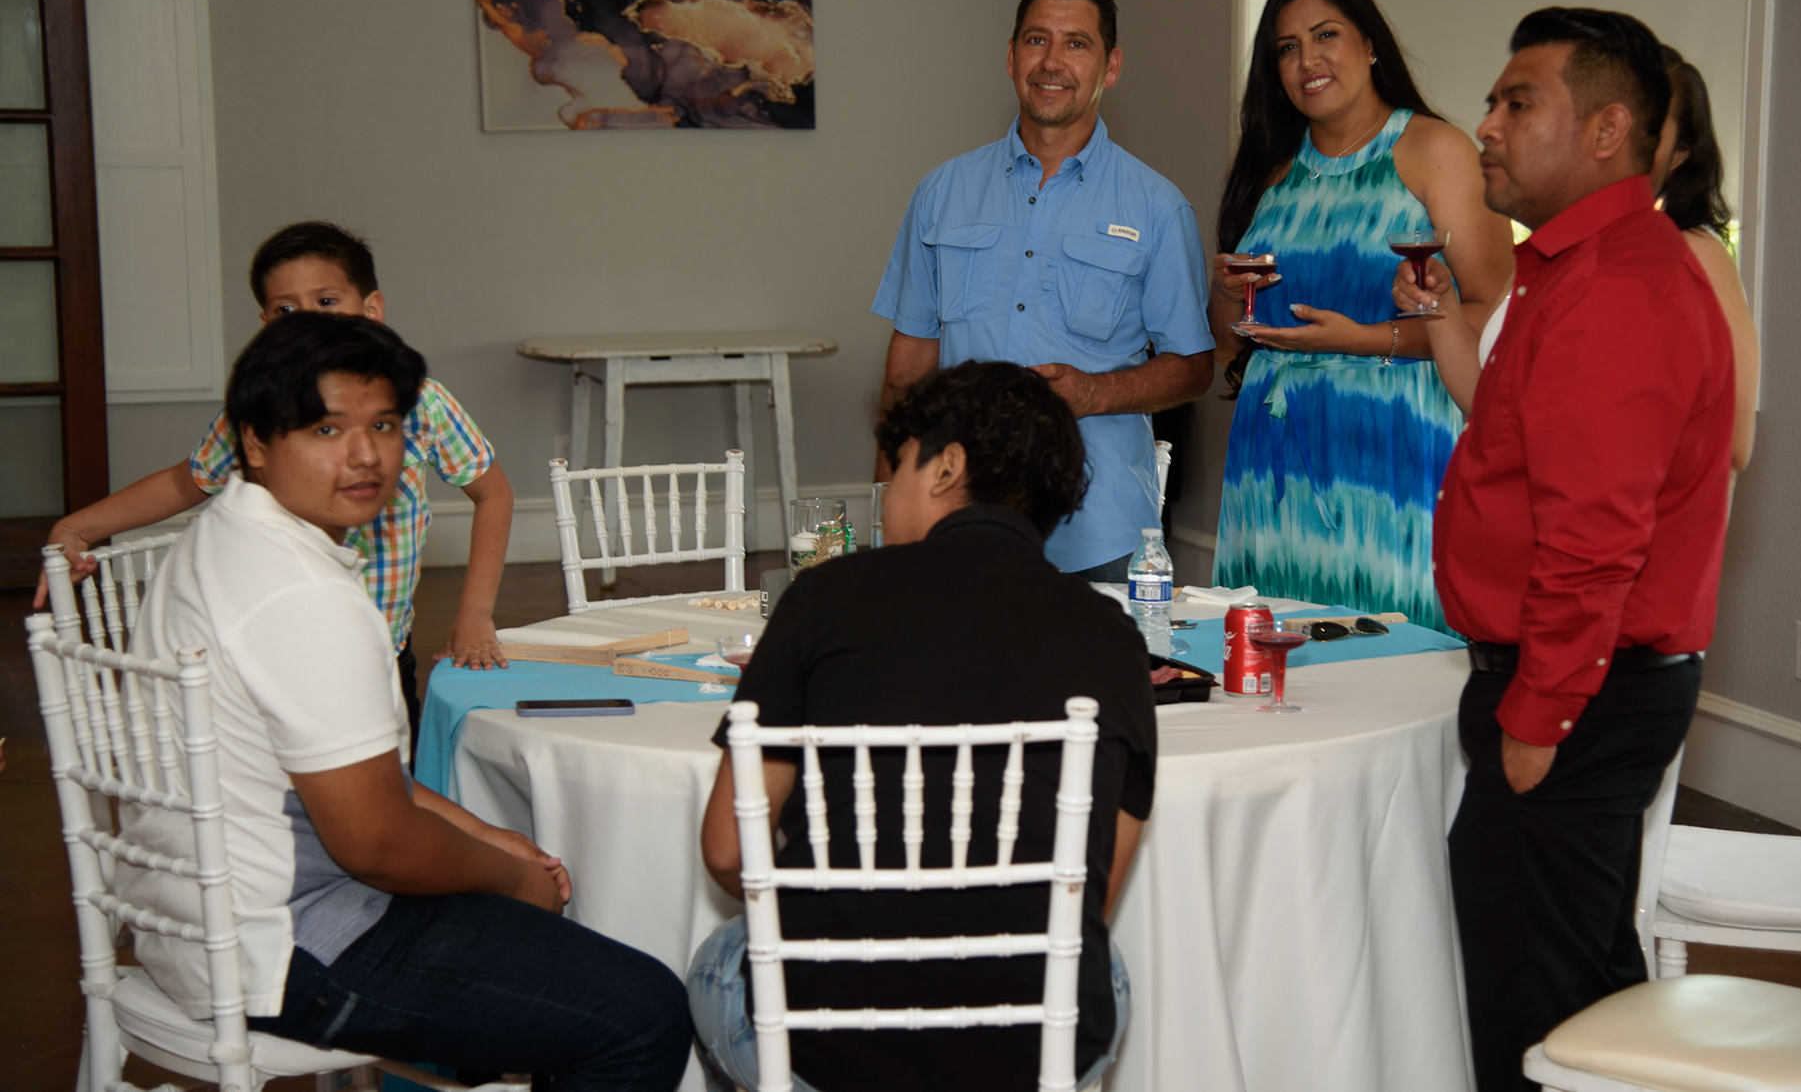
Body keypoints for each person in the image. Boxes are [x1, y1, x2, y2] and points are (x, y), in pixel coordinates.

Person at [121, 312, 692, 1089]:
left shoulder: (223, 539)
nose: (365, 456)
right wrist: (509, 878)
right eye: (326, 429)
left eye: (384, 425)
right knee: (642, 1012)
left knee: (541, 954)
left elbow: (347, 777)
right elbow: (377, 845)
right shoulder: (303, 596)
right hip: (286, 946)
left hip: (190, 916)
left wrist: (485, 837)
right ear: (253, 442)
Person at [691, 361, 1157, 1092]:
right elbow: (1088, 896)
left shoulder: (824, 598)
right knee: (1107, 965)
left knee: (722, 957)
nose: (885, 497)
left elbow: (727, 848)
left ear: (946, 467)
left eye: (899, 466)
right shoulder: (1111, 635)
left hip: (830, 1045)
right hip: (1030, 1049)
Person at [1436, 7, 1735, 1092]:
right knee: (1587, 997)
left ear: (1608, 131)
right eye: (1493, 102)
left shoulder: (1615, 286)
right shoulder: (1579, 268)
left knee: (1537, 1017)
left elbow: (1594, 540)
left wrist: (1538, 717)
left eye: (1519, 103)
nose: (1487, 125)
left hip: (1579, 692)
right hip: (1583, 686)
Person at [37, 221, 516, 736]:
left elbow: (492, 493)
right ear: (268, 325)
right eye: (287, 310)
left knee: (394, 772)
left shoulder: (422, 402)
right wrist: (78, 528)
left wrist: (475, 614)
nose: (307, 320)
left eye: (326, 301)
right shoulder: (258, 413)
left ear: (372, 309)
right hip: (279, 659)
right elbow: (187, 481)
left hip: (381, 650)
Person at [870, 0, 1214, 580]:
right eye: (1036, 40)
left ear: (1110, 67)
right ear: (1010, 57)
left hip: (1098, 533)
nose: (1052, 62)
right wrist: (885, 513)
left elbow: (1193, 367)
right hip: (955, 519)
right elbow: (907, 371)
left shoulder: (1158, 208)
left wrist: (1094, 393)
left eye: (1076, 43)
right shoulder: (941, 193)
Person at [1209, 0, 1513, 631]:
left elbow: (1494, 313)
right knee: (1271, 656)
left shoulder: (1435, 150)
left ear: (1370, 44)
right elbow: (1228, 340)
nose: (1308, 60)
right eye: (1287, 47)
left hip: (1393, 453)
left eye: (1326, 35)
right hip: (1274, 460)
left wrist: (1365, 339)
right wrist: (1228, 294)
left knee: (1396, 651)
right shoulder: (1270, 169)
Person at [1397, 46, 1759, 471]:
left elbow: (1732, 441)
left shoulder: (1692, 253)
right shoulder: (1550, 251)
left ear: (1679, 155)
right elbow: (1484, 404)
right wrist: (1440, 305)